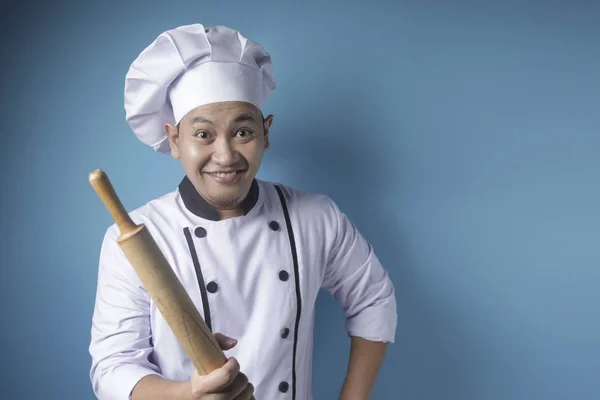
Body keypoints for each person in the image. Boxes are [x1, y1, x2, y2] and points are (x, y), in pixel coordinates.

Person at [89, 23, 397, 400]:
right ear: (174, 140)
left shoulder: (317, 218)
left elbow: (374, 300)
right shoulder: (139, 236)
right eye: (203, 134)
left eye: (242, 132)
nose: (225, 156)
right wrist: (189, 395)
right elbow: (113, 368)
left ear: (265, 133)